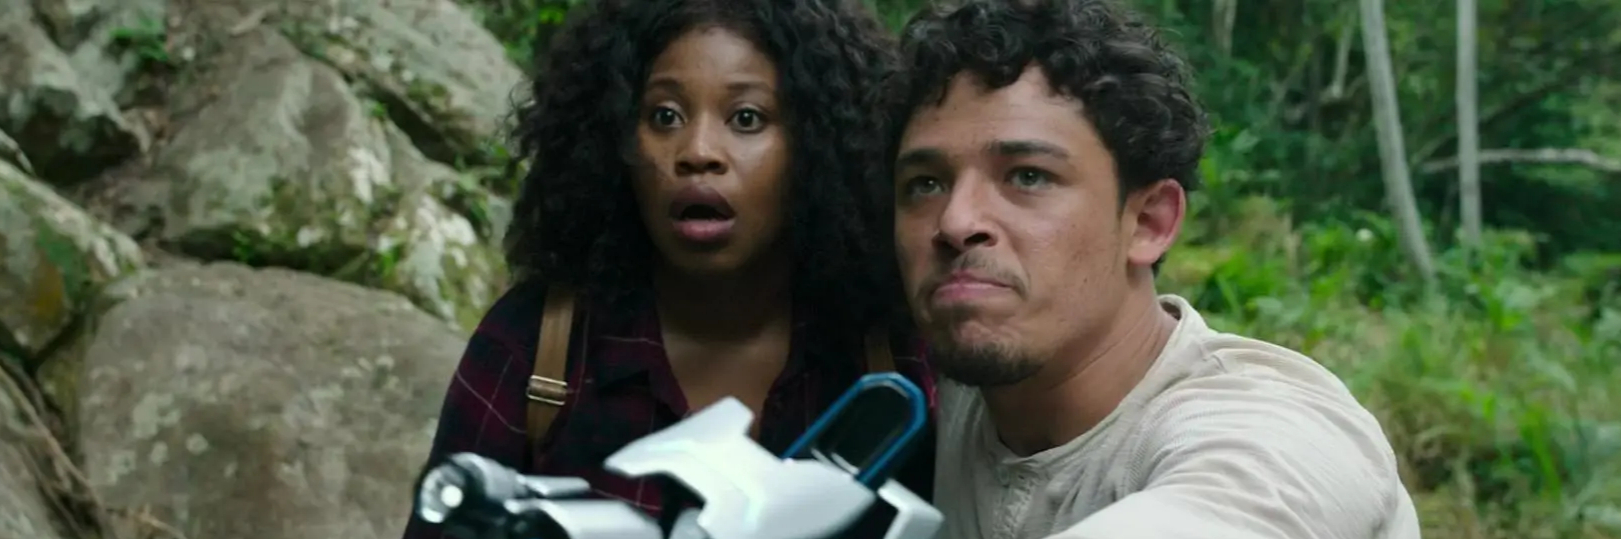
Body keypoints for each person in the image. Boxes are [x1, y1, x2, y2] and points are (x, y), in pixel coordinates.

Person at [883, 0, 1421, 538]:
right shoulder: (951, 386)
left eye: (1028, 176)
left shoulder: (1278, 433)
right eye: (925, 184)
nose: (955, 222)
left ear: (1148, 222)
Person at [399, 0, 934, 538]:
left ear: (817, 144)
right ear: (616, 139)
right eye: (665, 116)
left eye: (746, 118)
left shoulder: (891, 355)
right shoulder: (537, 346)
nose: (698, 151)